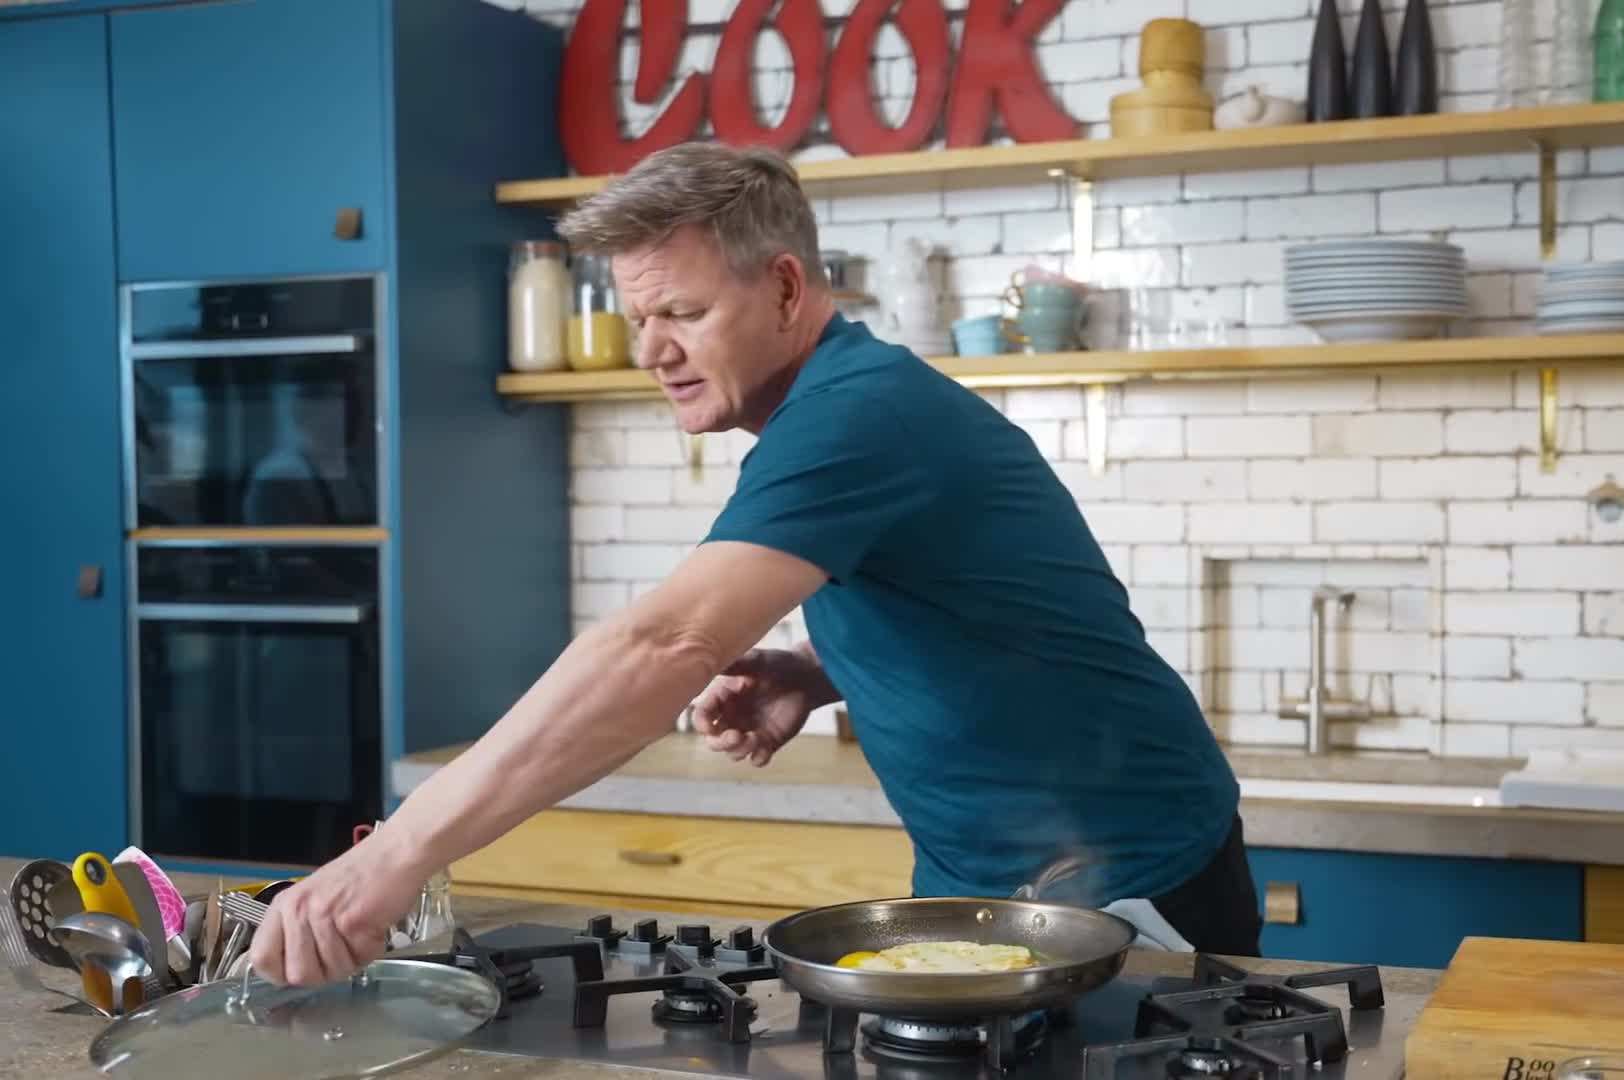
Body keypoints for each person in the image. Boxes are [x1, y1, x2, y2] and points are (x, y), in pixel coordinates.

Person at [250, 143, 1255, 987]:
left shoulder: (854, 415)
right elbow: (978, 601)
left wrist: (394, 856)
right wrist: (820, 675)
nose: (652, 350)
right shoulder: (841, 407)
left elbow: (665, 643)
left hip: (1123, 873)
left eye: (681, 313)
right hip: (991, 877)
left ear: (782, 286)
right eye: (640, 317)